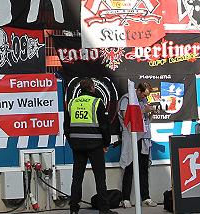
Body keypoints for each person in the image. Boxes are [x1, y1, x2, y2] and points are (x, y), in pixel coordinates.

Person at [64, 78, 115, 214]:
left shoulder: (72, 103)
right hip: (95, 145)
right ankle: (104, 209)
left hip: (77, 146)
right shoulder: (97, 102)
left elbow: (66, 126)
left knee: (77, 177)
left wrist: (72, 142)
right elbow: (104, 125)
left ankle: (74, 209)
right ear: (92, 87)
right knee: (99, 176)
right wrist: (106, 143)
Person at [118, 82, 156, 208]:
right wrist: (143, 110)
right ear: (138, 90)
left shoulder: (144, 101)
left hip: (144, 136)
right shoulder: (127, 99)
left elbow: (146, 120)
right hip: (131, 136)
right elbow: (126, 117)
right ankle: (126, 198)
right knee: (129, 167)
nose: (144, 98)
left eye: (146, 96)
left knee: (143, 168)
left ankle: (145, 197)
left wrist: (151, 113)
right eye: (143, 95)